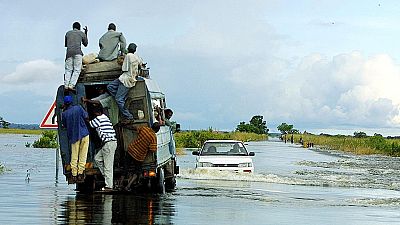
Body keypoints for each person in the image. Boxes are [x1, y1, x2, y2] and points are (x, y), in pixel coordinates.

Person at [107, 43, 144, 123]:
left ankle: (128, 116)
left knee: (118, 99)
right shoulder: (137, 57)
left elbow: (124, 68)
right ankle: (122, 98)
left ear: (128, 48)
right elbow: (140, 66)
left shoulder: (128, 56)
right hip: (128, 78)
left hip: (126, 79)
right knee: (110, 87)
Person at [61, 95, 90, 183]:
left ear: (65, 104)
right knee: (83, 155)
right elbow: (86, 117)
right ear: (72, 102)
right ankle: (80, 174)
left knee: (74, 156)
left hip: (74, 136)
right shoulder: (78, 108)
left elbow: (64, 125)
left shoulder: (64, 114)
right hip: (84, 134)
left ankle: (74, 175)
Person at [89, 105, 117, 192]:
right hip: (109, 144)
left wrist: (86, 119)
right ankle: (108, 179)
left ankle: (109, 186)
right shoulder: (105, 117)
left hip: (108, 144)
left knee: (108, 167)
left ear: (96, 113)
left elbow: (91, 124)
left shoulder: (99, 119)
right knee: (97, 159)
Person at [124, 122, 160, 190]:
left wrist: (126, 126)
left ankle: (120, 185)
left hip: (131, 150)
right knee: (137, 171)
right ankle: (128, 186)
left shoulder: (145, 129)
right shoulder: (153, 137)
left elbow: (135, 128)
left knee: (125, 168)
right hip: (139, 155)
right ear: (157, 130)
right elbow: (152, 149)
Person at [64, 22, 88, 91]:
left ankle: (66, 85)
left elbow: (66, 44)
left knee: (68, 70)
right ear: (79, 27)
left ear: (73, 27)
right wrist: (85, 33)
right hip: (78, 53)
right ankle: (71, 85)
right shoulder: (81, 33)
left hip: (69, 53)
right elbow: (85, 44)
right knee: (77, 70)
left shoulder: (68, 33)